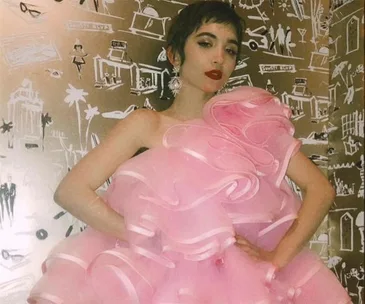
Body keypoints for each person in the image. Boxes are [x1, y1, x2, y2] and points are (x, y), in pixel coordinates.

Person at [28, 1, 351, 303]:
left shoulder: (248, 123)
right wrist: (145, 237)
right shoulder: (147, 124)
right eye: (206, 43)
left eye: (230, 49)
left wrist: (275, 258)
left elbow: (320, 189)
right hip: (160, 279)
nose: (218, 58)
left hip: (242, 283)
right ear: (175, 55)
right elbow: (71, 191)